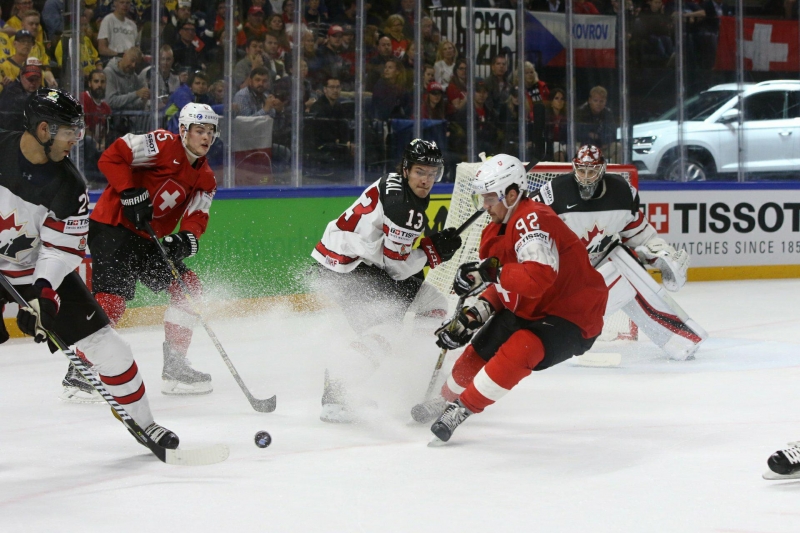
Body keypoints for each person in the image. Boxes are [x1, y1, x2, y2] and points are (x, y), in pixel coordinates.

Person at [0, 88, 179, 448]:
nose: (75, 140)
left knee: (109, 348)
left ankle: (144, 424)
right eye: (69, 131)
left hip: (33, 269)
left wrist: (44, 292)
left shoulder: (69, 185)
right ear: (44, 129)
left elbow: (60, 248)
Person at [415, 154, 608, 443]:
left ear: (512, 194)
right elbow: (506, 282)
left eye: (491, 198)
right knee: (482, 346)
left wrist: (487, 274)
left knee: (521, 347)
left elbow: (537, 277)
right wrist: (476, 313)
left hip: (572, 316)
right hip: (531, 306)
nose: (485, 205)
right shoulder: (496, 227)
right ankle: (444, 398)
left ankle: (461, 408)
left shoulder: (533, 221)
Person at [69, 103, 219, 399]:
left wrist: (186, 238)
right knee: (112, 301)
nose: (205, 137)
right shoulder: (161, 144)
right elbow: (112, 156)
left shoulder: (207, 178)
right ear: (184, 130)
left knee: (188, 288)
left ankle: (175, 366)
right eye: (199, 130)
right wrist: (127, 190)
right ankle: (80, 374)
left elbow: (197, 216)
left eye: (210, 132)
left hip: (150, 241)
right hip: (114, 228)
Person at [311, 139, 462, 423]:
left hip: (346, 262)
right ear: (406, 170)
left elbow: (394, 257)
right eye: (420, 172)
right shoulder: (405, 208)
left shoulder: (394, 182)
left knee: (434, 304)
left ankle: (411, 369)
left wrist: (428, 249)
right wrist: (431, 253)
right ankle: (336, 396)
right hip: (350, 270)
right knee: (386, 329)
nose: (427, 180)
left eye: (433, 173)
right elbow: (397, 270)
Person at [530, 145, 708, 361]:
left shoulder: (622, 192)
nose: (586, 177)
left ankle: (680, 339)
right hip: (560, 280)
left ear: (602, 169)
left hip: (593, 270)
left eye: (592, 171)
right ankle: (556, 336)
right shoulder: (552, 194)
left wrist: (660, 254)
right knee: (619, 275)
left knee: (623, 260)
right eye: (582, 171)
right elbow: (527, 232)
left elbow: (639, 235)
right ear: (574, 168)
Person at [575, 86, 621, 162]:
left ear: (605, 101)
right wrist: (593, 140)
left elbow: (612, 133)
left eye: (601, 101)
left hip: (603, 146)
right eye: (595, 100)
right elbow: (578, 133)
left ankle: (615, 172)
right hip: (585, 147)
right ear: (590, 100)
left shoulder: (608, 113)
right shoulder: (581, 112)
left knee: (618, 147)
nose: (598, 104)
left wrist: (603, 140)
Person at [0, 61, 40, 129]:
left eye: (37, 80)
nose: (34, 83)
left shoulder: (41, 91)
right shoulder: (10, 91)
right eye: (30, 79)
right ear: (21, 76)